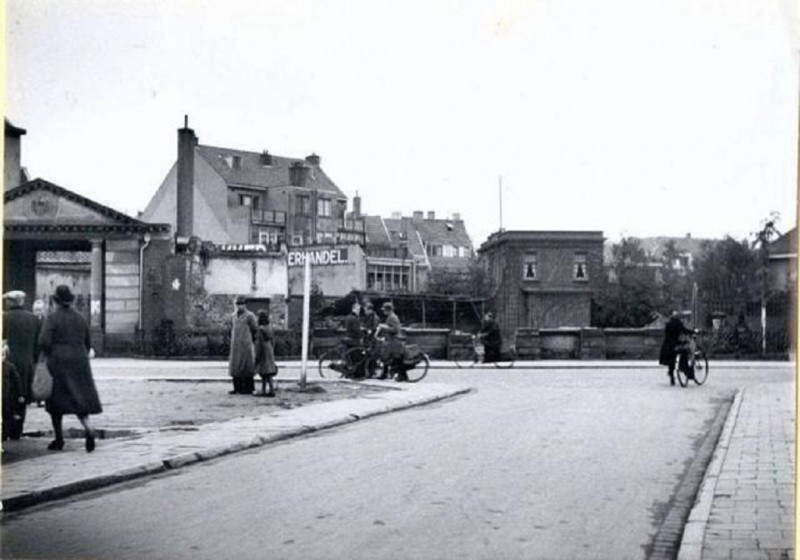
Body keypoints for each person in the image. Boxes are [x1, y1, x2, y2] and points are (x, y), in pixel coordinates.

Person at [38, 285, 102, 452]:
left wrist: (49, 354)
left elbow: (44, 341)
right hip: (79, 361)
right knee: (80, 400)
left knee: (55, 404)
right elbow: (88, 342)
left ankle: (59, 440)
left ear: (56, 300)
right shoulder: (81, 318)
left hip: (58, 361)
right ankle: (89, 428)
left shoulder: (52, 318)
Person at [3, 290, 41, 434]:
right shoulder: (33, 319)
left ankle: (6, 429)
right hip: (27, 363)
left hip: (7, 363)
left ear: (11, 302)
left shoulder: (4, 317)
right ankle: (18, 429)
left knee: (7, 395)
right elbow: (39, 344)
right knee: (22, 396)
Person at [229, 296, 258, 395]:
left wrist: (252, 340)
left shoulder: (250, 316)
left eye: (241, 304)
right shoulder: (233, 316)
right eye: (238, 304)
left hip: (246, 344)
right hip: (236, 345)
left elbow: (255, 329)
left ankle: (248, 388)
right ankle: (237, 387)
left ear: (245, 305)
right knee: (235, 366)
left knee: (247, 365)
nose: (239, 306)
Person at [659, 310, 695, 386]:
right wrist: (693, 331)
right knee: (684, 351)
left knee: (671, 359)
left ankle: (671, 374)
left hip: (667, 345)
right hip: (675, 343)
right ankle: (683, 367)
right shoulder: (678, 324)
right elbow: (685, 330)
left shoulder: (668, 324)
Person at [376, 301, 408, 382]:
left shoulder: (393, 317)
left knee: (396, 359)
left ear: (389, 310)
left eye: (384, 310)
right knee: (388, 357)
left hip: (395, 341)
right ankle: (386, 373)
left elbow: (395, 329)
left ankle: (402, 376)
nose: (383, 312)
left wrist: (384, 327)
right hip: (392, 341)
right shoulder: (390, 317)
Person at [2, 341, 26, 441]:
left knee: (6, 415)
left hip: (6, 398)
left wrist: (20, 395)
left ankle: (4, 434)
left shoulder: (9, 367)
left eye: (3, 355)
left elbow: (17, 382)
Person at [254, 311, 278, 397]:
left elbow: (258, 343)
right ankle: (270, 389)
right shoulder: (269, 328)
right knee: (268, 372)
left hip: (263, 350)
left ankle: (265, 390)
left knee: (264, 373)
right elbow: (273, 341)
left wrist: (257, 354)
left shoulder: (260, 329)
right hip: (269, 349)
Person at [342, 300, 364, 378]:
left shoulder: (348, 317)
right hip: (354, 339)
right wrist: (362, 333)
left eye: (359, 309)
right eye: (357, 309)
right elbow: (356, 329)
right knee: (357, 356)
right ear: (353, 309)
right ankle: (356, 373)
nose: (358, 311)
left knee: (349, 357)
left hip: (349, 337)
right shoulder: (354, 318)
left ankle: (349, 371)